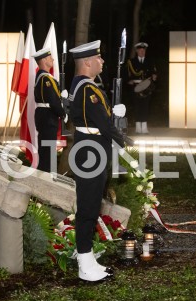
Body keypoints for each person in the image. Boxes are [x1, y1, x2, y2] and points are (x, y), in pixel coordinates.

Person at [68, 40, 127, 282]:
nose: (102, 62)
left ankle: (88, 257)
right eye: (99, 58)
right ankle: (84, 262)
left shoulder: (82, 86)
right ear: (88, 62)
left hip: (89, 149)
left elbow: (95, 118)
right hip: (91, 151)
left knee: (91, 205)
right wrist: (122, 138)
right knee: (89, 208)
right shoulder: (88, 89)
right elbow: (102, 124)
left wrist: (113, 115)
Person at [32, 48, 67, 172]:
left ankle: (47, 176)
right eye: (49, 57)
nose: (52, 59)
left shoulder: (45, 77)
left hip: (46, 116)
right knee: (47, 152)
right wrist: (63, 113)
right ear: (43, 60)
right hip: (47, 117)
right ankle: (46, 179)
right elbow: (52, 100)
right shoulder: (45, 79)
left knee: (47, 151)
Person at [127, 42, 157, 134]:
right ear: (137, 51)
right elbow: (127, 74)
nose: (142, 52)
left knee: (145, 106)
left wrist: (154, 76)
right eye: (140, 50)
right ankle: (138, 127)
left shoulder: (150, 61)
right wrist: (129, 81)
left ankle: (144, 127)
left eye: (143, 50)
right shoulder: (131, 62)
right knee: (137, 106)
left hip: (147, 87)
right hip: (136, 86)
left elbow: (154, 73)